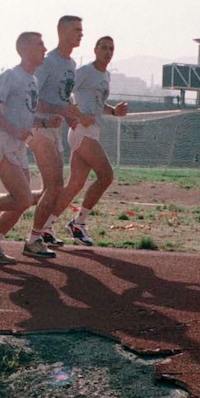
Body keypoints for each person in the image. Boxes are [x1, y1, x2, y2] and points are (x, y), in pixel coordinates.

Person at [0, 31, 49, 263]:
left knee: (21, 202)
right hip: (2, 143)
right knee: (23, 199)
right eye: (39, 44)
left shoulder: (32, 80)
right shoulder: (11, 76)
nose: (44, 48)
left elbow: (23, 114)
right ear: (23, 49)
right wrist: (13, 130)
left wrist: (42, 122)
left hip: (18, 147)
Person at [55, 35, 128, 246]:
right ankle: (79, 222)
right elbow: (63, 93)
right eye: (104, 47)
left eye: (111, 49)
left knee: (75, 184)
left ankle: (46, 227)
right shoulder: (85, 71)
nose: (107, 52)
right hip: (82, 132)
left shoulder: (105, 75)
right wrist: (77, 116)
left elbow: (97, 104)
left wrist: (114, 111)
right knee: (106, 176)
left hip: (92, 131)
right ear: (95, 50)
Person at [26, 15, 85, 252]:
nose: (80, 34)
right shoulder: (47, 62)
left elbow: (63, 96)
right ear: (61, 31)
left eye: (82, 30)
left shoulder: (70, 64)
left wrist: (69, 115)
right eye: (76, 30)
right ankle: (34, 238)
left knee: (53, 188)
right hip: (38, 127)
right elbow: (31, 97)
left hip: (55, 129)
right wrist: (58, 109)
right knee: (54, 186)